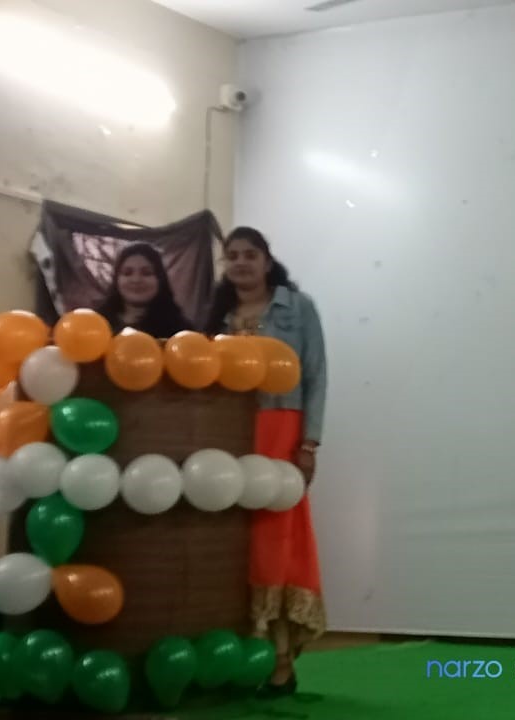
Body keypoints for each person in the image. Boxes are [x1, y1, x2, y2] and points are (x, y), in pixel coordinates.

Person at [205, 226, 327, 695]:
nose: (240, 263)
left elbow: (316, 376)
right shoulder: (217, 316)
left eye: (249, 254)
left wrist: (309, 444)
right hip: (229, 434)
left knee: (276, 537)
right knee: (232, 540)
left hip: (281, 430)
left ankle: (279, 658)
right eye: (232, 255)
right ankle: (238, 658)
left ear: (266, 261)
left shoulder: (297, 308)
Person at [95, 242, 193, 338]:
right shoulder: (97, 322)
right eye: (127, 273)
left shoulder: (181, 331)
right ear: (116, 280)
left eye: (147, 273)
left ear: (160, 279)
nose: (136, 280)